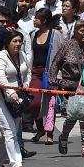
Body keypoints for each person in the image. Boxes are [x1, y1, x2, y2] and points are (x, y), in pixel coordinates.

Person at [50, 21, 84, 156]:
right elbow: (55, 63)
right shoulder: (66, 45)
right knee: (72, 116)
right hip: (68, 85)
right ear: (75, 32)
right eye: (82, 31)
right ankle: (63, 136)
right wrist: (53, 82)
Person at [0, 31, 29, 167]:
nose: (18, 44)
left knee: (11, 131)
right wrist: (10, 91)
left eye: (20, 41)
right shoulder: (1, 56)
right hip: (1, 99)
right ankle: (16, 163)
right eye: (15, 41)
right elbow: (0, 76)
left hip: (18, 99)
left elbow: (28, 72)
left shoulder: (22, 55)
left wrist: (26, 84)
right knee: (9, 131)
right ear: (8, 43)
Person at [28, 9, 62, 144]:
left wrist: (58, 74)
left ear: (44, 20)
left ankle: (50, 132)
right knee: (34, 103)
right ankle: (40, 128)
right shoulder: (33, 34)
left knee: (50, 104)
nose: (34, 20)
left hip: (50, 72)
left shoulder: (56, 34)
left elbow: (60, 54)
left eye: (37, 18)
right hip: (35, 72)